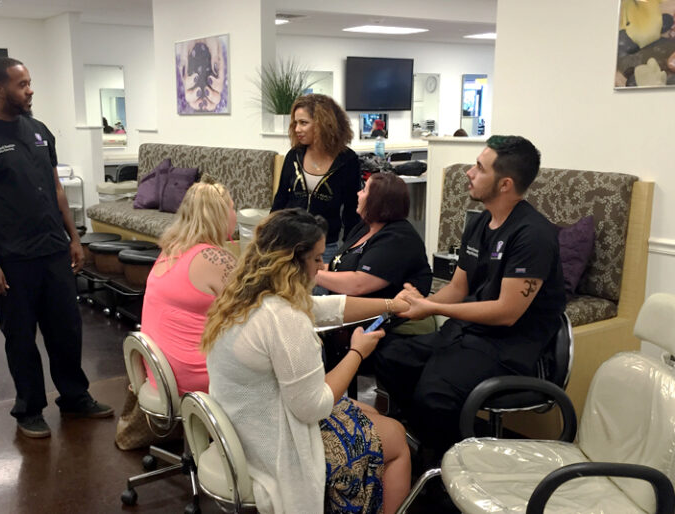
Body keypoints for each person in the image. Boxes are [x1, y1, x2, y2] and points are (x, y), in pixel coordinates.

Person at [202, 208, 412, 514]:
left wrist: (391, 305)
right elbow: (314, 405)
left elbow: (326, 307)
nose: (321, 264)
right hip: (274, 450)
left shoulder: (244, 296)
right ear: (291, 261)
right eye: (315, 258)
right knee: (395, 435)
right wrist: (357, 352)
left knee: (364, 408)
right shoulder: (284, 318)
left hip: (244, 430)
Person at [374, 135, 566, 458]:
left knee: (434, 394)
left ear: (504, 184)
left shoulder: (533, 236)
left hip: (510, 349)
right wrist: (419, 301)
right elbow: (459, 288)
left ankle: (454, 472)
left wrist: (432, 307)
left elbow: (507, 312)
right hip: (469, 336)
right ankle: (422, 445)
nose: (469, 173)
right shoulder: (479, 223)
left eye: (479, 168)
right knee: (390, 355)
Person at [0, 57, 113, 439]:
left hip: (53, 251)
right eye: (22, 84)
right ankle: (29, 408)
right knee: (21, 338)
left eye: (30, 82)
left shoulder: (39, 131)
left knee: (66, 331)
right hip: (11, 258)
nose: (30, 89)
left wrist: (73, 238)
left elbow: (56, 189)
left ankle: (75, 397)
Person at [140, 179, 237, 395]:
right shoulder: (213, 258)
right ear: (219, 215)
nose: (235, 214)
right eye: (232, 207)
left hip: (161, 371)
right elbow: (253, 308)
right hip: (193, 377)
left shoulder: (171, 248)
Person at [271, 93, 360, 264]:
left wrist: (349, 253)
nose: (297, 129)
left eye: (303, 123)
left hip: (325, 247)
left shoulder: (347, 161)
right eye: (295, 123)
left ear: (323, 124)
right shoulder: (294, 155)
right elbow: (280, 200)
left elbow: (352, 212)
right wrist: (269, 237)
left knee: (318, 291)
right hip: (290, 244)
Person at [315, 172, 433, 299]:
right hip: (348, 310)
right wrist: (304, 266)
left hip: (385, 315)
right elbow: (337, 267)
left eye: (364, 190)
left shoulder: (398, 238)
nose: (358, 193)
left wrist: (307, 273)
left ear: (376, 201)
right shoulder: (365, 227)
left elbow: (358, 285)